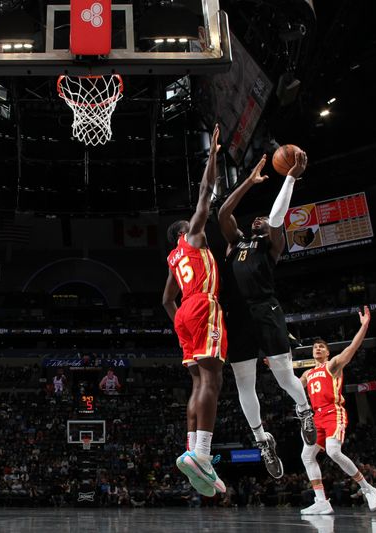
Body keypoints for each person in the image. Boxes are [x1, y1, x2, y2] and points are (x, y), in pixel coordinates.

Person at [216, 149, 315, 479]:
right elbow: (223, 213)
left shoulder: (271, 245)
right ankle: (262, 441)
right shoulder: (234, 244)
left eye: (262, 219)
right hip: (237, 315)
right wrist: (248, 181)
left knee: (284, 376)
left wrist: (289, 178)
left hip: (265, 308)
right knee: (245, 384)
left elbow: (276, 217)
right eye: (254, 218)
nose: (258, 219)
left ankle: (304, 411)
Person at [162, 124, 226, 498]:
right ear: (185, 231)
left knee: (198, 383)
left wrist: (180, 325)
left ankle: (192, 449)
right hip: (203, 306)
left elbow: (165, 300)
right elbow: (206, 194)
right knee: (212, 383)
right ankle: (202, 454)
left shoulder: (173, 258)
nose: (196, 220)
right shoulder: (193, 238)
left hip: (185, 312)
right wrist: (213, 154)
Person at [299, 306, 376, 514]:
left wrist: (363, 327)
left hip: (333, 412)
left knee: (334, 451)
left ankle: (367, 488)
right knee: (307, 456)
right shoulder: (308, 373)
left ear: (327, 352)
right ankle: (321, 501)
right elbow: (292, 386)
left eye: (321, 347)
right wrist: (276, 367)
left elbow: (352, 348)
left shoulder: (333, 365)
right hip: (315, 417)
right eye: (314, 347)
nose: (317, 349)